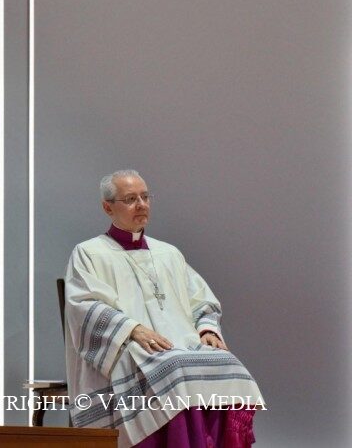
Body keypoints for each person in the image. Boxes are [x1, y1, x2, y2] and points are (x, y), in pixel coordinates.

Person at [64, 170, 263, 447]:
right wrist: (132, 329)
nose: (142, 205)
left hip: (179, 345)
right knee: (175, 369)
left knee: (229, 365)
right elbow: (84, 306)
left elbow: (201, 299)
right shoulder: (89, 253)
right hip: (127, 348)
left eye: (145, 197)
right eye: (131, 199)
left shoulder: (168, 253)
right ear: (107, 207)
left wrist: (207, 328)